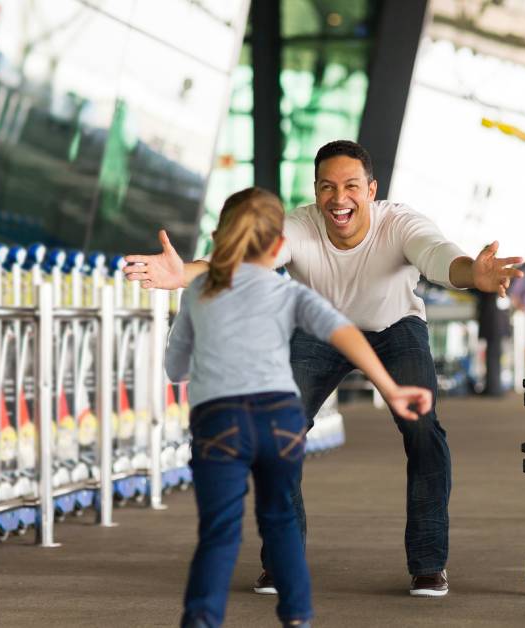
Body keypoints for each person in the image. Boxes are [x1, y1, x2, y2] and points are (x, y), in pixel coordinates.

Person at [129, 140, 523, 597]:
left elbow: (437, 255)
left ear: (371, 189)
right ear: (316, 192)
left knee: (422, 429)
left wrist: (473, 273)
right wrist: (187, 274)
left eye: (352, 186)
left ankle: (429, 564)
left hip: (394, 326)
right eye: (327, 187)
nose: (340, 198)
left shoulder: (400, 223)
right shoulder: (298, 227)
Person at [167, 187, 431, 627]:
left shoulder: (198, 293)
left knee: (219, 531)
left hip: (219, 421)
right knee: (279, 518)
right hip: (278, 417)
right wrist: (391, 386)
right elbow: (343, 332)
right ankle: (296, 616)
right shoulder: (287, 293)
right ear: (276, 248)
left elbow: (176, 367)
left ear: (216, 237)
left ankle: (202, 620)